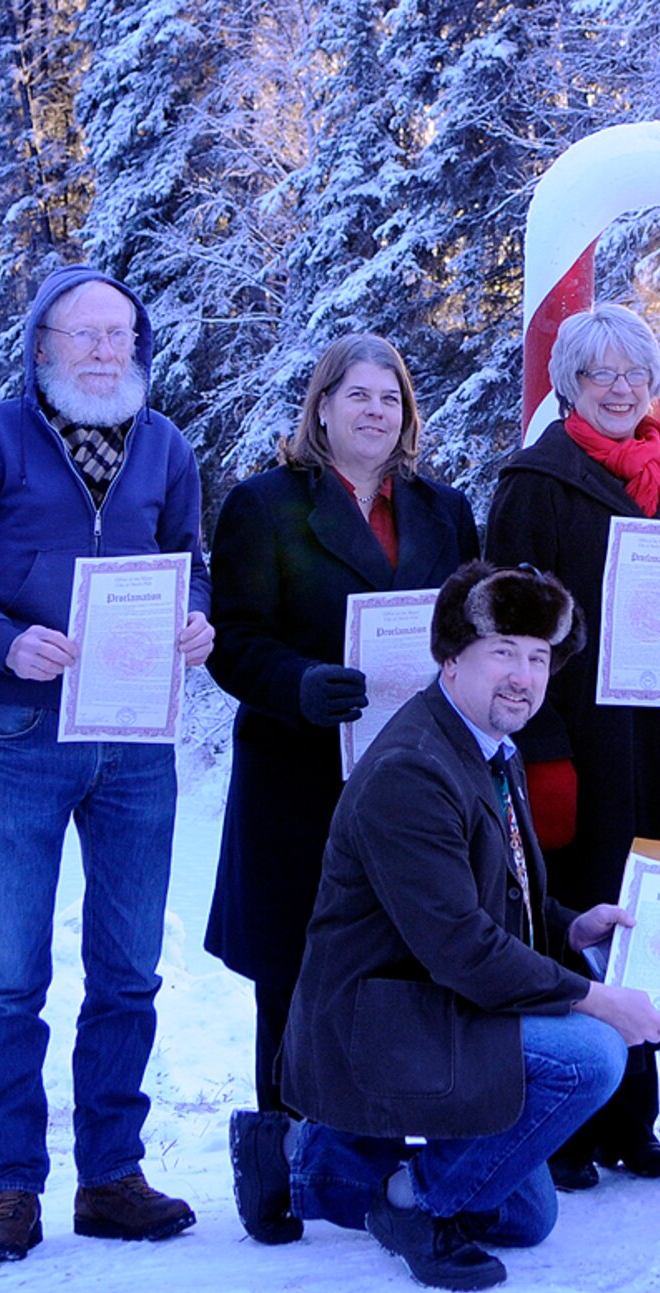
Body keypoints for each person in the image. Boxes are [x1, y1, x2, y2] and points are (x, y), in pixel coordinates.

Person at [228, 561, 660, 1289]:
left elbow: (488, 902)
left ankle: (303, 1160)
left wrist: (567, 927)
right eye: (503, 652)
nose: (524, 677)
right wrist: (596, 999)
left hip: (437, 1003)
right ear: (452, 655)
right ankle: (413, 1202)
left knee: (528, 1218)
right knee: (591, 1054)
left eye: (538, 657)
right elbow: (463, 947)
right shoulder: (416, 767)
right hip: (378, 1019)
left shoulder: (488, 745)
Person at [0, 264, 215, 1263]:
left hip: (134, 735)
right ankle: (10, 1190)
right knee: (10, 974)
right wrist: (0, 639)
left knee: (128, 970)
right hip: (20, 730)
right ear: (42, 343)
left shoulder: (164, 444)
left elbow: (189, 560)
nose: (103, 351)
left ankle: (112, 1177)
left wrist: (195, 622)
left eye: (118, 335)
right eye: (83, 334)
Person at [484, 302, 660, 1187]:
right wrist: (542, 744)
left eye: (635, 371)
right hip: (582, 737)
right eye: (601, 373)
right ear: (571, 383)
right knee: (579, 912)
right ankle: (564, 1124)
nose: (620, 387)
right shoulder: (536, 478)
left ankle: (634, 1118)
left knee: (647, 904)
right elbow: (510, 618)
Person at [205, 334, 479, 1165]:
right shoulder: (265, 505)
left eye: (390, 398)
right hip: (299, 776)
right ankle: (283, 1157)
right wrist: (297, 683)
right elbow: (234, 640)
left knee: (401, 961)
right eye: (357, 395)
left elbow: (473, 630)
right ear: (321, 405)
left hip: (414, 779)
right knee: (296, 971)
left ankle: (380, 1150)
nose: (375, 412)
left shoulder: (445, 511)